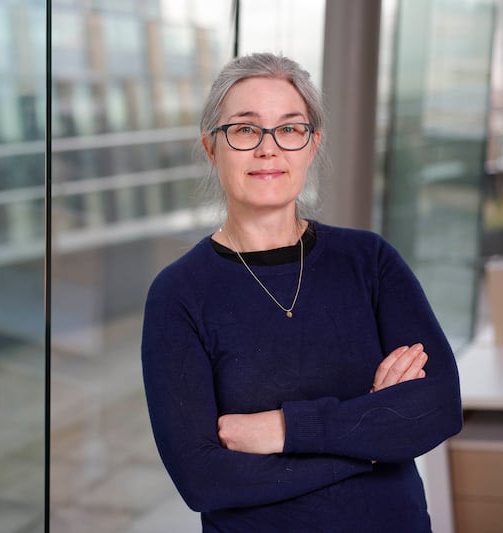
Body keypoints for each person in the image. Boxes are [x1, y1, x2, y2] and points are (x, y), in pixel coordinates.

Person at [141, 52, 462, 532]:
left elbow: (438, 407)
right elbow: (204, 479)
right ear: (212, 148)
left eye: (290, 129)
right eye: (246, 129)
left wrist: (285, 430)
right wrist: (371, 440)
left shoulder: (368, 261)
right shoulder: (179, 294)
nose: (269, 149)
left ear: (312, 145)